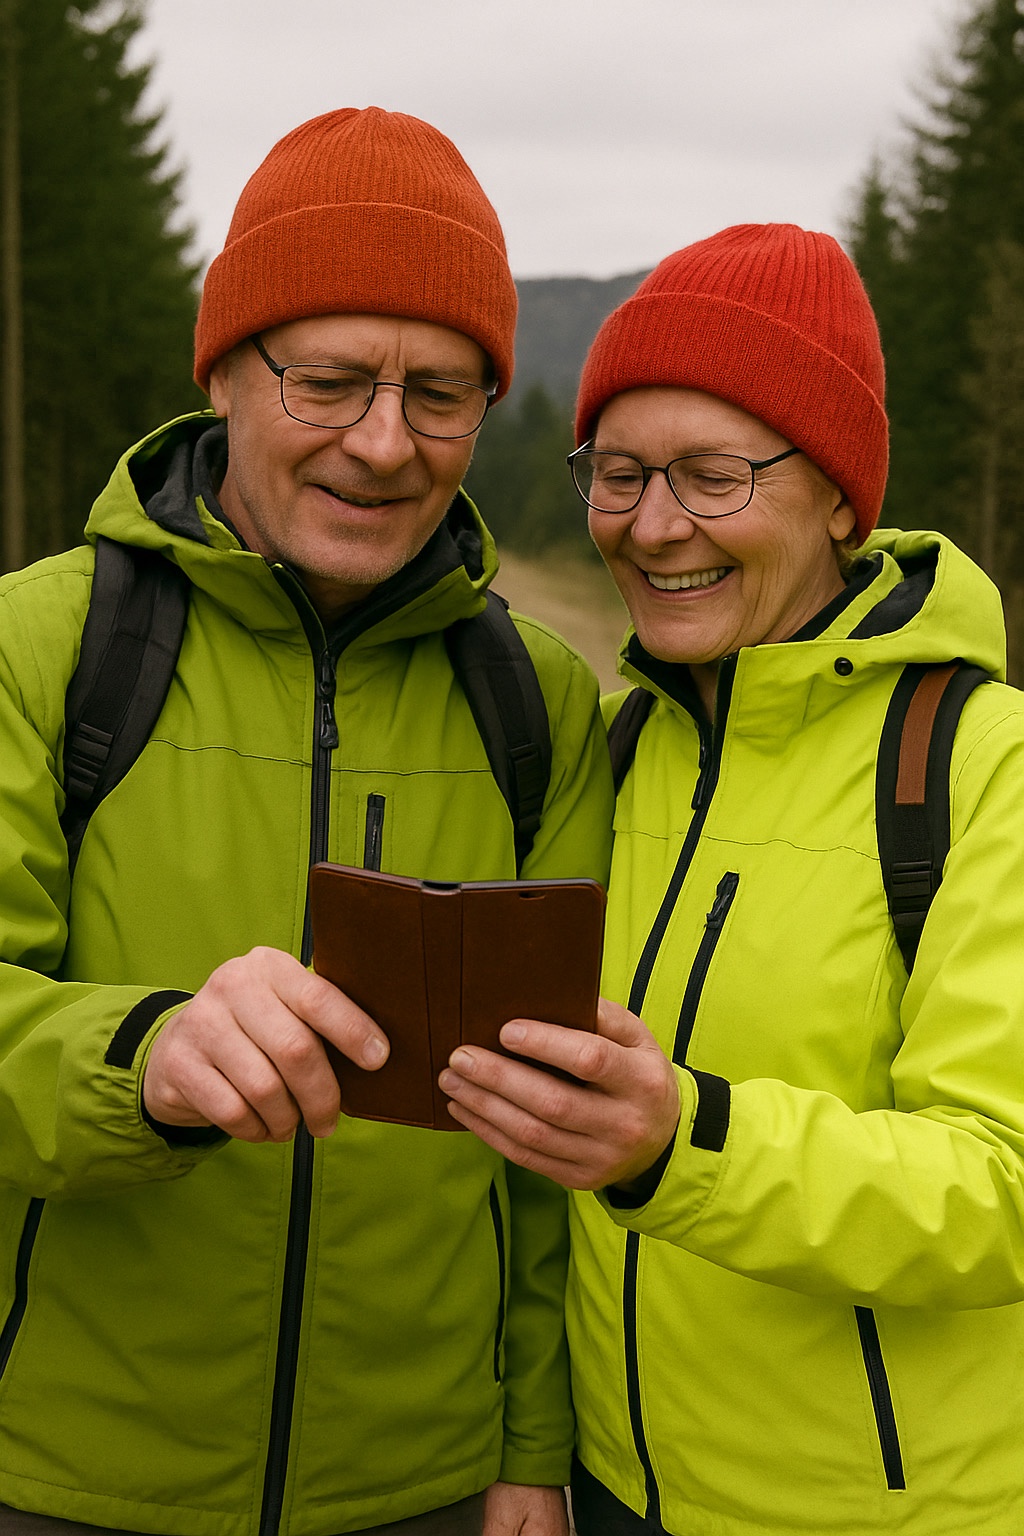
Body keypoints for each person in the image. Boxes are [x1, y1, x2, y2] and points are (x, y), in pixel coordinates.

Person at [0, 108, 612, 1536]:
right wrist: (140, 1056)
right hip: (67, 1478)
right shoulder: (44, 649)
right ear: (223, 371)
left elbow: (548, 1136)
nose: (386, 444)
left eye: (442, 394)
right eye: (329, 381)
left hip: (429, 1486)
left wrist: (532, 1441)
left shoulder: (542, 706)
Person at [440, 223, 1024, 1534]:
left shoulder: (982, 766)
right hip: (611, 1491)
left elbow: (1002, 1190)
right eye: (622, 473)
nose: (654, 528)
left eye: (713, 476)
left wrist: (682, 1144)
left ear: (836, 494)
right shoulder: (615, 751)